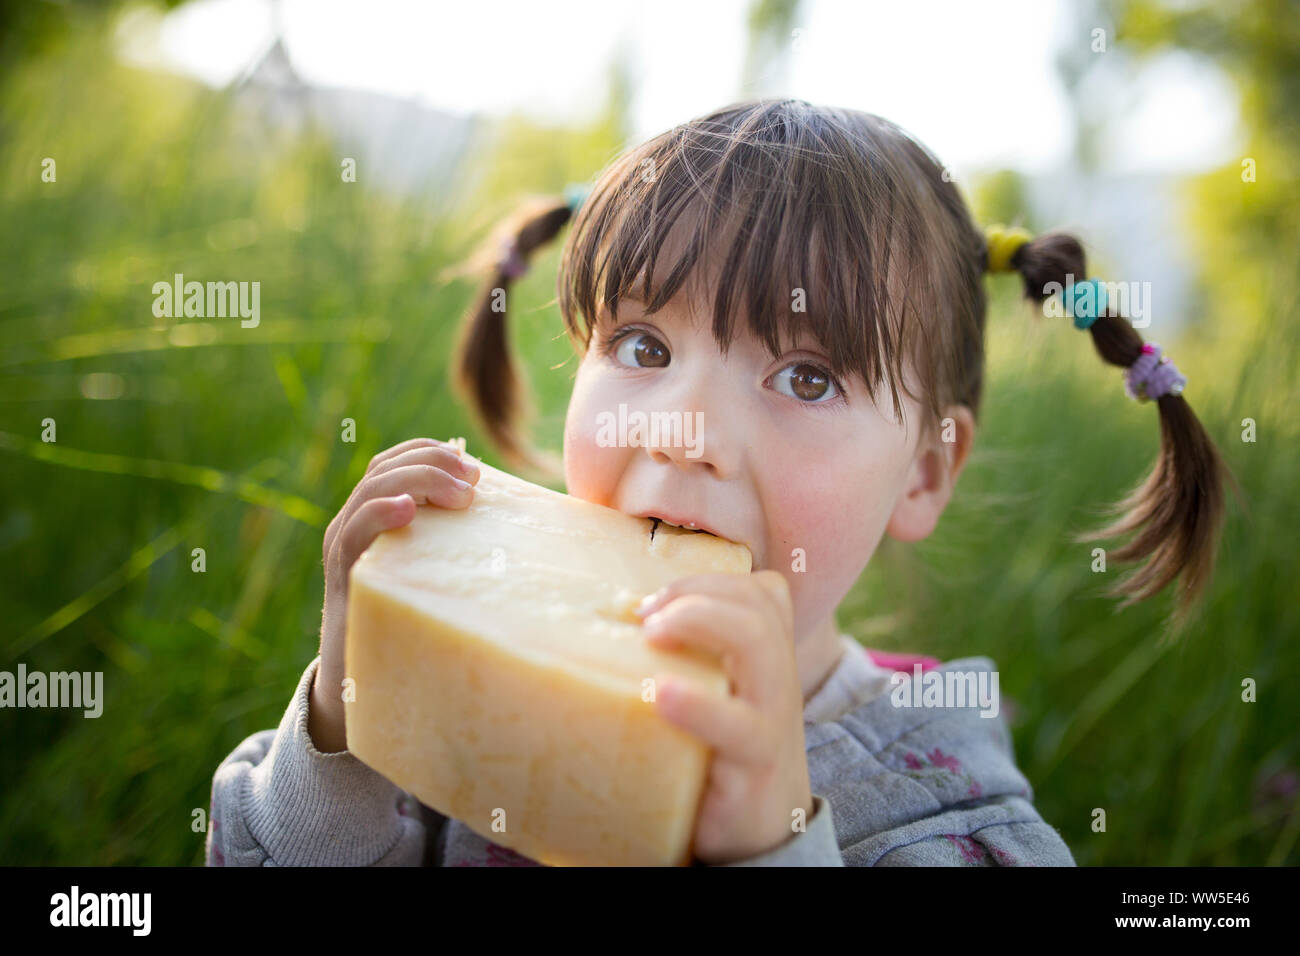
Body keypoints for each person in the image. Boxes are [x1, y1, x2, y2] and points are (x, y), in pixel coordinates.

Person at [207, 99, 1228, 866]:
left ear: (922, 471)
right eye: (642, 346)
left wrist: (771, 845)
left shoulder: (942, 803)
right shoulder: (466, 665)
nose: (684, 430)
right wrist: (352, 714)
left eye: (806, 376)